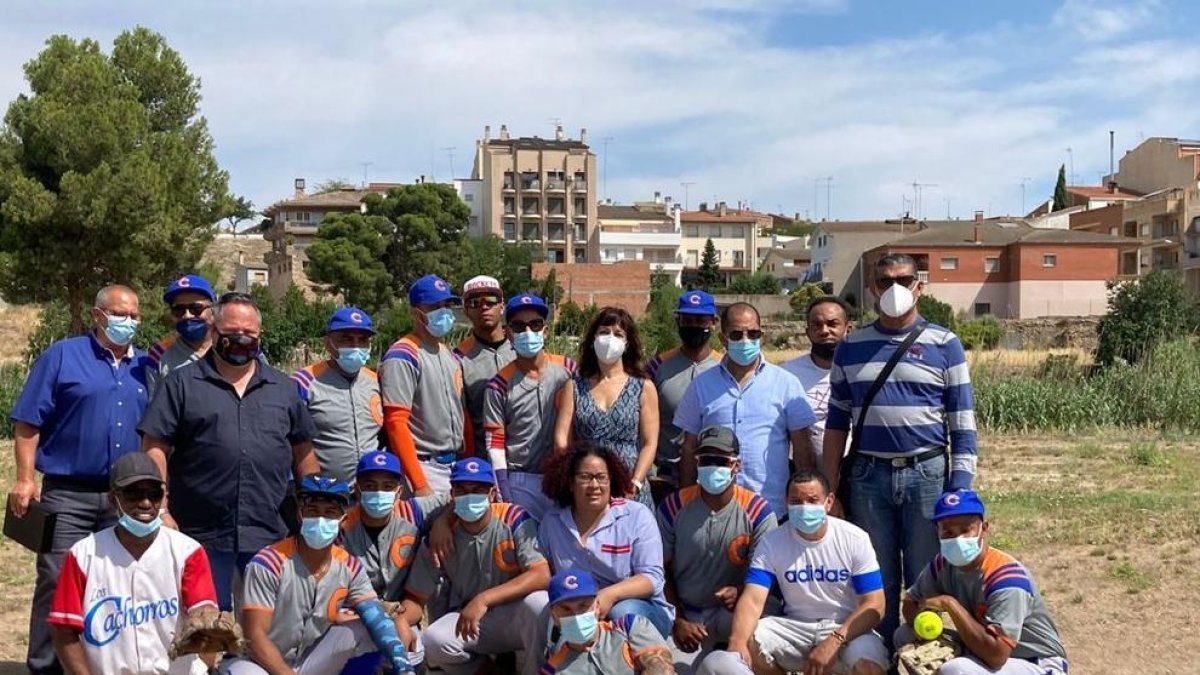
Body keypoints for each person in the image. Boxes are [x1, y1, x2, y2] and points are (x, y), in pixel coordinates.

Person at [823, 252, 978, 646]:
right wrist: (829, 487)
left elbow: (962, 422)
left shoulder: (945, 344)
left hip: (927, 474)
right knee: (876, 576)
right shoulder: (850, 346)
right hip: (867, 477)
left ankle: (924, 657)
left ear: (919, 286)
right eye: (885, 281)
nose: (895, 288)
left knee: (928, 576)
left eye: (904, 280)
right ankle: (881, 656)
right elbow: (837, 422)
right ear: (872, 288)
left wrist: (960, 488)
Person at [139, 292, 319, 611]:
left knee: (267, 622)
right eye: (232, 332)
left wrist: (315, 509)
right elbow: (155, 448)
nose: (240, 339)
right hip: (200, 531)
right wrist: (161, 509)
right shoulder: (181, 384)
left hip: (268, 529)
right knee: (205, 620)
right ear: (213, 330)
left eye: (249, 333)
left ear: (260, 335)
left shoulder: (282, 388)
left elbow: (303, 453)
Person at [9, 284, 148, 675]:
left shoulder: (146, 367)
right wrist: (24, 479)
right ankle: (45, 667)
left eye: (135, 315)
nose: (129, 321)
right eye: (121, 314)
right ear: (98, 315)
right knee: (57, 581)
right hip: (67, 495)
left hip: (126, 500)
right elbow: (28, 422)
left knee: (119, 585)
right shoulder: (62, 356)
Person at [696, 470, 888, 675]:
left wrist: (836, 639)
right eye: (796, 501)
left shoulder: (855, 539)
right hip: (795, 626)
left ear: (829, 502)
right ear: (786, 502)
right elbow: (752, 599)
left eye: (812, 500)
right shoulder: (772, 542)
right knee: (749, 638)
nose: (804, 507)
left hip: (846, 627)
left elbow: (875, 604)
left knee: (868, 666)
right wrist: (738, 643)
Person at [48, 452, 217, 675]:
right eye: (133, 494)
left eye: (154, 494)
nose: (145, 503)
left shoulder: (187, 552)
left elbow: (206, 618)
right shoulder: (83, 555)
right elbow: (63, 629)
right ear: (113, 499)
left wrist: (204, 665)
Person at [224, 475, 413, 674]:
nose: (321, 519)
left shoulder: (349, 566)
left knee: (375, 629)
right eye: (313, 511)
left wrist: (403, 665)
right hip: (256, 662)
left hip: (306, 661)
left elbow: (376, 617)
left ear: (342, 520)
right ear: (300, 515)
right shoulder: (269, 562)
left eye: (330, 512)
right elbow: (255, 638)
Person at [401, 458, 550, 675]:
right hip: (471, 619)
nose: (470, 496)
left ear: (492, 494)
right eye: (462, 490)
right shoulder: (440, 537)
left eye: (478, 490)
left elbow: (541, 574)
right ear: (452, 495)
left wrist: (484, 599)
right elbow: (416, 597)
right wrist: (400, 620)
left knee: (539, 603)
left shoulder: (513, 518)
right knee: (433, 640)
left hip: (514, 614)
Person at [895, 491, 1068, 675]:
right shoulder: (942, 565)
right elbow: (911, 603)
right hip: (984, 652)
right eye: (948, 531)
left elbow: (996, 656)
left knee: (956, 670)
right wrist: (924, 621)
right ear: (936, 531)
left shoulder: (1006, 579)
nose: (957, 539)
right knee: (905, 636)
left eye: (965, 530)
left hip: (1036, 662)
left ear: (984, 528)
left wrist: (950, 604)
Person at [675, 302, 816, 518]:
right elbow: (688, 449)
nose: (745, 340)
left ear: (761, 336)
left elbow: (802, 447)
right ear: (723, 339)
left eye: (753, 334)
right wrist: (686, 500)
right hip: (716, 510)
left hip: (771, 508)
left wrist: (804, 501)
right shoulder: (701, 386)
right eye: (736, 335)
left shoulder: (786, 383)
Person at [656, 425, 777, 661]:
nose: (712, 467)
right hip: (688, 615)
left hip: (736, 612)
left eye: (720, 461)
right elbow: (660, 570)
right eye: (705, 460)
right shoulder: (673, 507)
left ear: (736, 466)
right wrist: (678, 620)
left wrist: (741, 590)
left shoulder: (758, 512)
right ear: (696, 463)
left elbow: (769, 576)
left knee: (757, 648)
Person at [538, 447, 674, 638]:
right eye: (585, 477)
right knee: (540, 604)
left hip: (639, 607)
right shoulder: (552, 521)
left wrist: (608, 595)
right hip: (577, 611)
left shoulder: (636, 515)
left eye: (601, 477)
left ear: (611, 480)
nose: (594, 485)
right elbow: (545, 573)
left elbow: (652, 578)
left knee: (622, 613)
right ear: (570, 483)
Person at [340, 451, 447, 667]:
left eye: (387, 486)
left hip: (402, 612)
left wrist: (442, 522)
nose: (379, 492)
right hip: (355, 615)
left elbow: (454, 500)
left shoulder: (413, 512)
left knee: (412, 653)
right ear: (358, 490)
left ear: (399, 491)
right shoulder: (340, 527)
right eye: (370, 486)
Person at [483, 292, 576, 520]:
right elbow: (495, 444)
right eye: (518, 326)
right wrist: (504, 493)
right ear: (508, 333)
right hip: (521, 479)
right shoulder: (498, 384)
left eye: (535, 325)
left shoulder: (568, 369)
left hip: (564, 474)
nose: (528, 332)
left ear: (545, 330)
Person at [554, 307, 659, 506]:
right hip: (588, 488)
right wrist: (574, 478)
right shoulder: (574, 387)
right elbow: (562, 440)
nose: (610, 338)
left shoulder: (644, 387)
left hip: (629, 488)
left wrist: (635, 483)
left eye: (618, 334)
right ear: (593, 339)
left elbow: (649, 443)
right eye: (604, 332)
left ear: (627, 343)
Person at [381, 274, 468, 497]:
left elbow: (461, 413)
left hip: (454, 464)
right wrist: (419, 484)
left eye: (446, 305)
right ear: (416, 312)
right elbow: (396, 422)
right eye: (435, 306)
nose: (444, 311)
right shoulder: (402, 355)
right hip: (424, 466)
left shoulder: (449, 354)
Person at [293, 306, 383, 483]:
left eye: (363, 340)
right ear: (328, 343)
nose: (356, 347)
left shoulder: (376, 382)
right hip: (324, 493)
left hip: (370, 491)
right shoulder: (304, 382)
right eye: (346, 339)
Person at [645, 290, 721, 497]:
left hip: (713, 472)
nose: (693, 326)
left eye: (700, 320)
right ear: (678, 322)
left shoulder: (724, 367)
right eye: (687, 320)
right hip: (666, 476)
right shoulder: (657, 367)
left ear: (714, 322)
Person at [539, 569, 677, 674]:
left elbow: (661, 669)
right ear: (554, 615)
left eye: (583, 606)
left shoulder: (629, 627)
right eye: (565, 609)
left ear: (597, 606)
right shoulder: (552, 670)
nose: (576, 615)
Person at [781, 296, 853, 469]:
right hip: (802, 472)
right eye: (817, 325)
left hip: (853, 471)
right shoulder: (786, 374)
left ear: (848, 329)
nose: (824, 331)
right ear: (808, 332)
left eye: (832, 324)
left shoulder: (860, 371)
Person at [456, 275, 516, 453]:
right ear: (466, 310)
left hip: (526, 458)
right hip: (483, 459)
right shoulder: (458, 359)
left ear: (502, 305)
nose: (484, 307)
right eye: (475, 302)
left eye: (491, 300)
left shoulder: (522, 348)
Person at [146, 274, 216, 397]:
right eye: (179, 310)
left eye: (196, 308)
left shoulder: (232, 346)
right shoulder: (158, 354)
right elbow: (155, 403)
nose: (187, 315)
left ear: (213, 310)